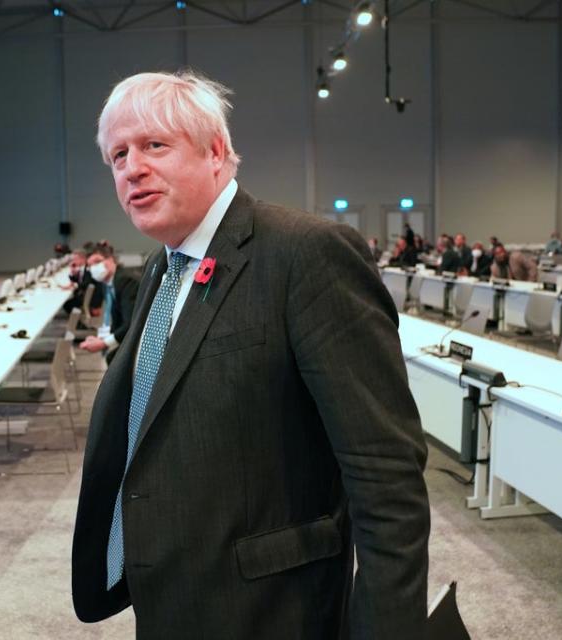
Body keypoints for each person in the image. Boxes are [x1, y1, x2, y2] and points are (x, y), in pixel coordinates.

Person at [72, 71, 429, 638]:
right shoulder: (163, 269)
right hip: (169, 598)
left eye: (153, 145)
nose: (131, 168)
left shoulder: (304, 254)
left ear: (215, 151)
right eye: (117, 155)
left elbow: (387, 476)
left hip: (270, 611)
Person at [78, 245, 140, 361]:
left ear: (111, 259)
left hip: (141, 335)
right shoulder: (107, 283)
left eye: (97, 261)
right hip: (128, 332)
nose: (94, 268)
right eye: (90, 266)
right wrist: (103, 337)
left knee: (112, 359)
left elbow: (131, 323)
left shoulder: (126, 281)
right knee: (111, 358)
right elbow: (116, 318)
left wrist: (104, 343)